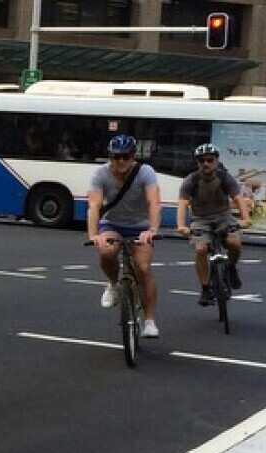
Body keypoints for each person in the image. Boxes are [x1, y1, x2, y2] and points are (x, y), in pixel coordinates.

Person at [87, 134, 162, 338]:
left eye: (126, 157)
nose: (121, 161)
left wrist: (152, 230)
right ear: (110, 156)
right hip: (112, 224)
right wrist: (94, 235)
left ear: (133, 157)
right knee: (105, 251)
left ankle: (149, 320)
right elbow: (94, 205)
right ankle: (113, 284)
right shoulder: (100, 174)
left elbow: (153, 202)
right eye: (116, 157)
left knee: (144, 268)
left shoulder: (145, 172)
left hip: (141, 227)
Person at [176, 143, 253, 306]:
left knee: (234, 243)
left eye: (210, 160)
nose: (206, 163)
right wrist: (181, 225)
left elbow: (238, 198)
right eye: (201, 160)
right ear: (197, 163)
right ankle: (205, 289)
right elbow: (182, 203)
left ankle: (231, 268)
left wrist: (245, 219)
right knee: (200, 249)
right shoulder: (191, 180)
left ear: (216, 161)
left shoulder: (225, 177)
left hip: (224, 217)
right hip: (200, 220)